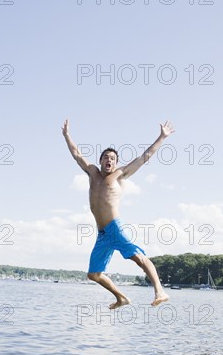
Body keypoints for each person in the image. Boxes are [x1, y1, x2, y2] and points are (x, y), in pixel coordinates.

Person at [62, 119, 175, 309]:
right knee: (94, 274)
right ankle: (122, 298)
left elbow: (144, 157)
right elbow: (76, 154)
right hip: (102, 234)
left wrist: (162, 137)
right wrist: (67, 136)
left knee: (138, 257)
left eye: (113, 159)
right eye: (106, 157)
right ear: (100, 160)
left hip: (115, 227)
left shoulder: (121, 174)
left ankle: (160, 290)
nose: (109, 160)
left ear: (116, 163)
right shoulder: (92, 173)